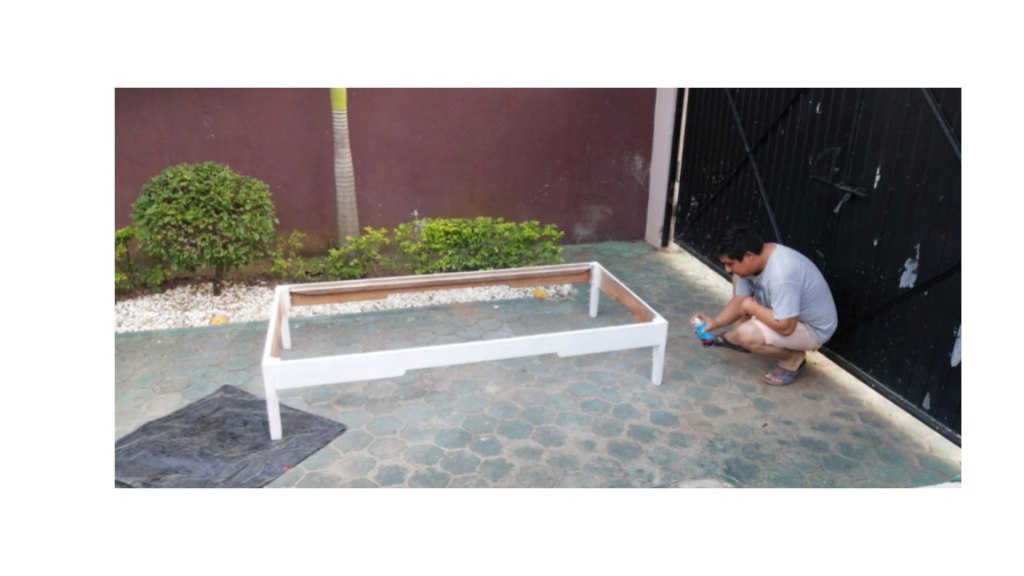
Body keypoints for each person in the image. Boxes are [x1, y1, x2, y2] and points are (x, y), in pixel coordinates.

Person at [693, 226, 838, 386]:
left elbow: (786, 327)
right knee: (738, 277)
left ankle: (793, 358)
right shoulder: (756, 258)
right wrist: (715, 323)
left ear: (749, 256)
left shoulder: (781, 275)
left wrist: (752, 308)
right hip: (783, 312)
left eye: (730, 263)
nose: (726, 269)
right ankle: (738, 336)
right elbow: (740, 300)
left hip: (811, 329)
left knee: (746, 335)